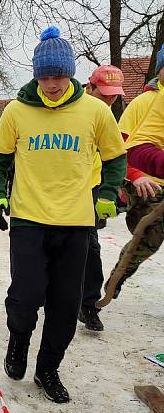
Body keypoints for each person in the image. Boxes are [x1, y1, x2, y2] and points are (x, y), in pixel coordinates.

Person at [0, 26, 126, 403]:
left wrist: (108, 195)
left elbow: (116, 159)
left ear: (71, 74)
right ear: (35, 75)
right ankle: (18, 340)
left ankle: (48, 368)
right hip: (29, 218)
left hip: (77, 221)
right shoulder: (16, 111)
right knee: (26, 294)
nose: (51, 83)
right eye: (44, 76)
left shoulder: (95, 111)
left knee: (66, 305)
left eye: (58, 75)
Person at [102, 65, 164, 298]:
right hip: (147, 182)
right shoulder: (143, 102)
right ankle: (117, 278)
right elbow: (119, 148)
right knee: (149, 237)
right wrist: (134, 176)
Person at [77, 65, 126, 332]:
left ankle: (88, 304)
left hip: (92, 187)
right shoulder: (75, 107)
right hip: (65, 189)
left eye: (114, 96)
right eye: (104, 94)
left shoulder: (107, 115)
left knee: (91, 247)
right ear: (90, 87)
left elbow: (114, 156)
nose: (110, 100)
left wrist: (109, 191)